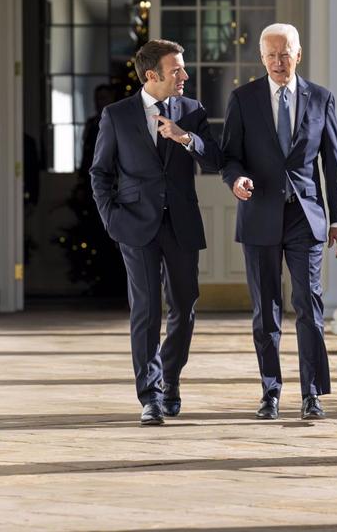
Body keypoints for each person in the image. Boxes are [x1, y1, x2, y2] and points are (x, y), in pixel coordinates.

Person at [220, 23, 337, 420]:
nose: (278, 62)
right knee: (266, 310)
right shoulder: (243, 99)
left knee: (309, 305)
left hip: (305, 217)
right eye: (271, 55)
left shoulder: (321, 99)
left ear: (299, 53)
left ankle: (312, 394)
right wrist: (235, 178)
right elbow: (229, 155)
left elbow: (334, 163)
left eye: (285, 53)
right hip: (259, 213)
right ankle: (270, 391)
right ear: (262, 58)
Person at [90, 39, 222, 426]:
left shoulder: (192, 110)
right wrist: (114, 221)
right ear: (153, 75)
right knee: (146, 311)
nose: (185, 75)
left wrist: (185, 137)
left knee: (184, 306)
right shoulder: (117, 115)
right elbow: (100, 174)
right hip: (136, 226)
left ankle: (170, 379)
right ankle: (149, 396)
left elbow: (214, 159)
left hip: (181, 224)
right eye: (177, 69)